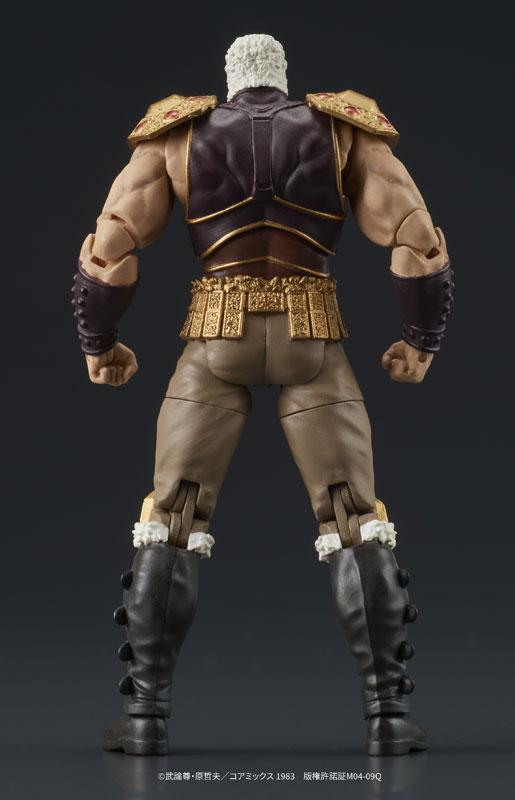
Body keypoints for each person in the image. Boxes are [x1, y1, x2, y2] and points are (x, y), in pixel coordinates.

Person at [72, 33, 453, 756]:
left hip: (216, 334)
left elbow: (112, 243)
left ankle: (146, 720)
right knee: (352, 516)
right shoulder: (341, 131)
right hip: (313, 334)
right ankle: (388, 719)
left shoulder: (178, 135)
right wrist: (420, 339)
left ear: (230, 77)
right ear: (283, 76)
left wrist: (99, 343)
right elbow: (415, 237)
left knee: (174, 513)